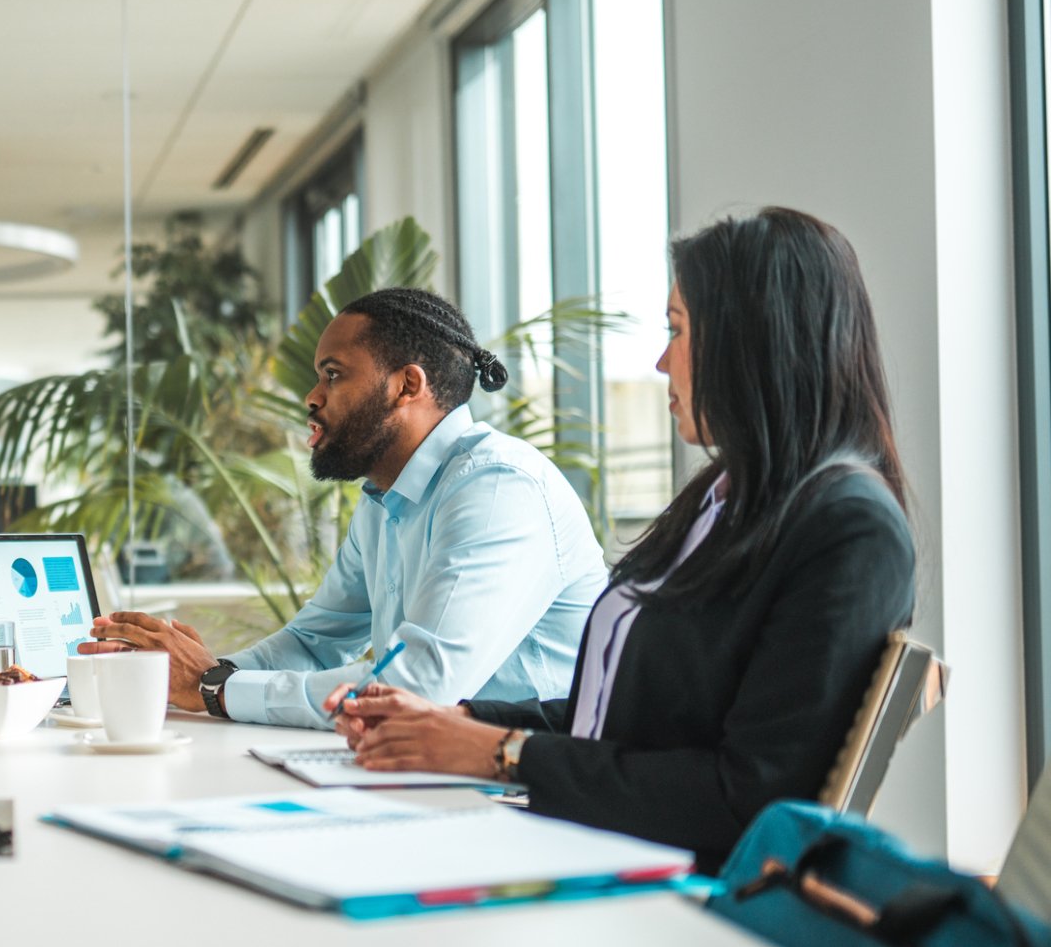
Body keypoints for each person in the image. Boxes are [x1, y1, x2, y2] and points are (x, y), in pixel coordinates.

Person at [333, 208, 915, 869]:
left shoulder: (847, 527)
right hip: (595, 842)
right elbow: (617, 712)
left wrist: (500, 752)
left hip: (674, 895)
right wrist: (464, 718)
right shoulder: (728, 498)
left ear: (753, 340)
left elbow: (750, 796)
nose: (661, 360)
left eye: (678, 330)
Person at [85, 287, 607, 729]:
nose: (312, 397)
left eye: (332, 374)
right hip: (432, 774)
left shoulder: (497, 489)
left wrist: (214, 686)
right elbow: (314, 643)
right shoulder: (384, 500)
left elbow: (420, 687)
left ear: (407, 385)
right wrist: (191, 673)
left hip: (520, 795)